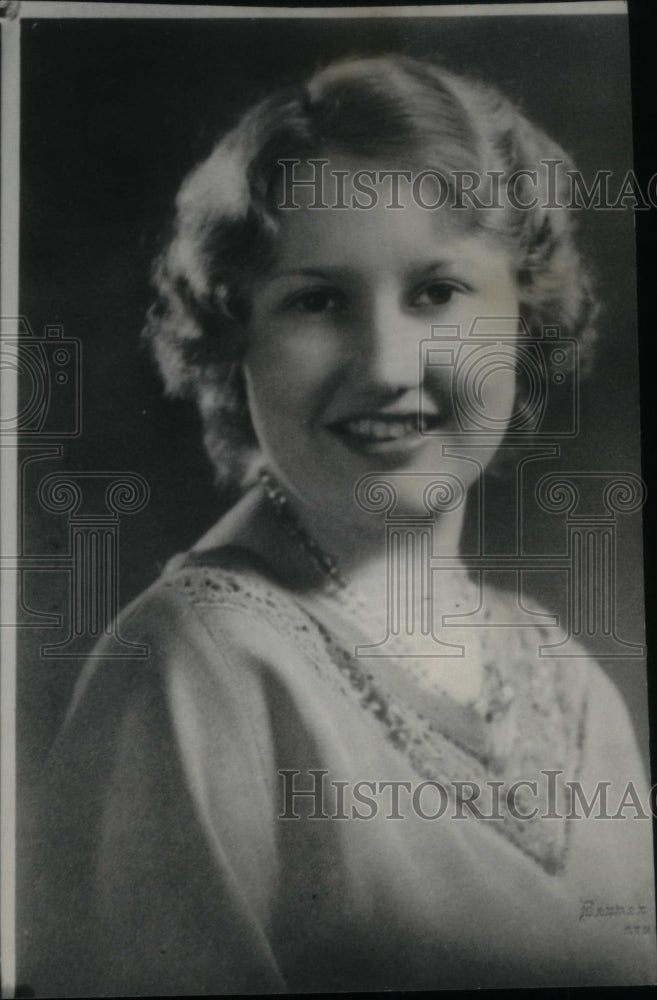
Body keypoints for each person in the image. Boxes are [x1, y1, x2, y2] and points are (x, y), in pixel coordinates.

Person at [25, 54, 656, 994]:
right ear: (235, 342)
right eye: (316, 301)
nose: (386, 365)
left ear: (522, 321)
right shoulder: (193, 665)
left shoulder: (562, 673)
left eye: (437, 292)